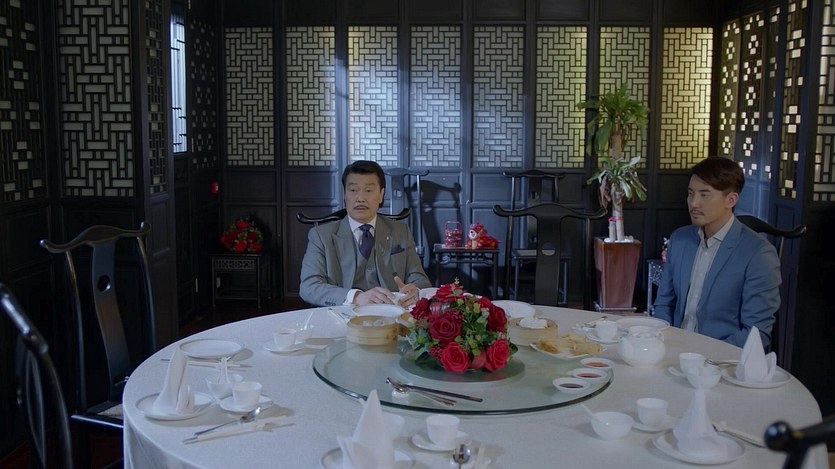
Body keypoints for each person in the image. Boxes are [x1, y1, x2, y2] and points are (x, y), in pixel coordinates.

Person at [653, 157, 781, 348]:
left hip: (721, 358)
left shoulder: (759, 254)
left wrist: (705, 357)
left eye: (704, 195)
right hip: (673, 349)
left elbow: (756, 333)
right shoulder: (680, 239)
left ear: (731, 200)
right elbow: (664, 303)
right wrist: (664, 342)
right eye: (690, 193)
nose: (694, 203)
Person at [299, 160, 432, 307]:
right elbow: (308, 287)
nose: (360, 198)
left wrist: (415, 290)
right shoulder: (321, 236)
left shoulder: (400, 231)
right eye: (353, 190)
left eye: (368, 190)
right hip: (344, 314)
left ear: (381, 194)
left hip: (392, 312)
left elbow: (420, 279)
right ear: (344, 194)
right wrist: (355, 297)